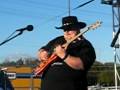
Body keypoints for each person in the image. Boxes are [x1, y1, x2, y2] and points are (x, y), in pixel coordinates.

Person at [37, 16, 96, 90]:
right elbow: (42, 50)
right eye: (64, 30)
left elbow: (81, 65)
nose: (67, 32)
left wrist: (64, 55)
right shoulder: (58, 40)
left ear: (78, 28)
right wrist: (42, 53)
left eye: (70, 29)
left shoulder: (85, 45)